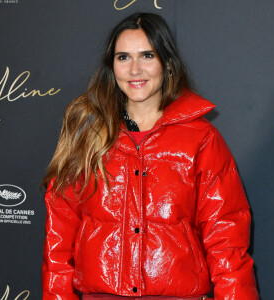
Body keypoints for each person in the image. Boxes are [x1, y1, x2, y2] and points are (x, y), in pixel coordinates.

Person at [41, 13, 259, 300]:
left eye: (147, 55)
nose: (134, 69)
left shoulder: (201, 139)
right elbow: (58, 239)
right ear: (112, 67)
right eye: (123, 57)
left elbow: (227, 240)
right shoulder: (86, 135)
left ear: (167, 64)